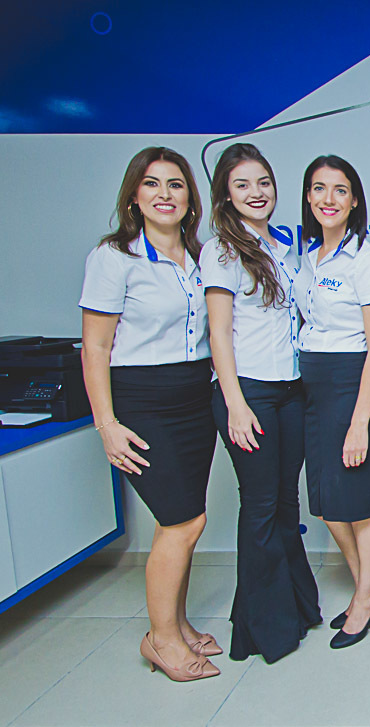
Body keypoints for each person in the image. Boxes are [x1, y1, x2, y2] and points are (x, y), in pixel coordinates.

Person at [80, 146, 220, 680]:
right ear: (134, 197)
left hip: (194, 397)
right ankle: (161, 640)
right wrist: (107, 424)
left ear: (190, 198)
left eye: (176, 184)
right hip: (143, 400)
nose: (165, 194)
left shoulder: (200, 257)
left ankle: (177, 625)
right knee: (183, 521)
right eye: (153, 184)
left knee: (184, 520)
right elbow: (95, 348)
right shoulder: (114, 257)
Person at [201, 142, 320, 663]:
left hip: (290, 389)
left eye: (264, 182)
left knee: (286, 503)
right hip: (247, 391)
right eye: (243, 184)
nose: (256, 192)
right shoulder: (221, 251)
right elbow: (219, 332)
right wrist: (235, 403)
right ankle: (264, 629)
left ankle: (295, 608)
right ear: (225, 195)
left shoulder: (282, 248)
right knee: (261, 506)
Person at [297, 155, 370, 649]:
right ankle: (367, 587)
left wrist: (359, 423)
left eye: (340, 190)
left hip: (353, 387)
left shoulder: (365, 260)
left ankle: (364, 600)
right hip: (313, 391)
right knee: (327, 504)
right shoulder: (307, 258)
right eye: (319, 188)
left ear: (355, 201)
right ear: (308, 198)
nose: (328, 199)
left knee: (358, 506)